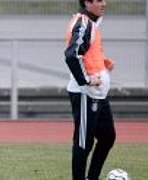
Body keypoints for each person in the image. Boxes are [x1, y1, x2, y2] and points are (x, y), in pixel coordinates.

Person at [64, 0, 116, 180]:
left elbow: (86, 53)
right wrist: (86, 79)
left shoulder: (92, 23)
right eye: (99, 0)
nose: (105, 3)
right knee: (83, 143)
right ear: (87, 2)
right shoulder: (83, 23)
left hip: (99, 94)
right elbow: (72, 55)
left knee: (108, 137)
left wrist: (103, 62)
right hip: (86, 94)